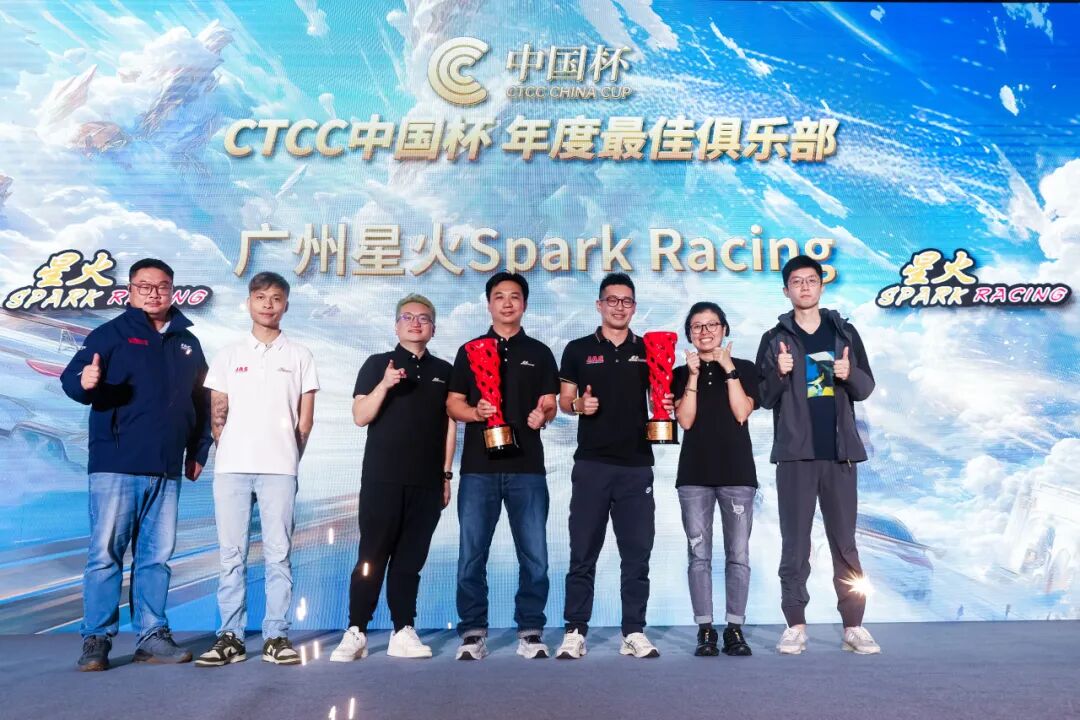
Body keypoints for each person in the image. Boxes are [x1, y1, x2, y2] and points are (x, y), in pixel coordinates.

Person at [60, 258, 212, 671]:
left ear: (172, 290)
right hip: (116, 463)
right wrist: (84, 383)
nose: (153, 293)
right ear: (129, 291)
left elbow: (201, 401)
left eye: (161, 286)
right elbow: (73, 379)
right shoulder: (110, 334)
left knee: (156, 558)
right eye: (144, 286)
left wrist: (199, 450)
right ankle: (96, 638)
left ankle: (151, 636)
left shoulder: (188, 343)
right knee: (105, 555)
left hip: (166, 467)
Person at [754, 255, 881, 655]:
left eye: (811, 280)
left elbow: (865, 387)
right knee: (795, 544)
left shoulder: (844, 332)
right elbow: (762, 397)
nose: (805, 287)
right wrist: (779, 372)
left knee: (845, 543)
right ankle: (795, 624)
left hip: (840, 456)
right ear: (786, 290)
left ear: (821, 286)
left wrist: (848, 374)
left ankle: (854, 625)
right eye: (797, 281)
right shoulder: (774, 338)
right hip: (796, 457)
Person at [195, 272, 318, 667]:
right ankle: (230, 636)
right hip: (232, 469)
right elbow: (217, 415)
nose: (268, 304)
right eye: (261, 296)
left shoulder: (300, 355)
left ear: (286, 305)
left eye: (276, 297)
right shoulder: (229, 355)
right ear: (248, 302)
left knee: (278, 555)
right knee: (231, 555)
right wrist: (231, 449)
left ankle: (276, 636)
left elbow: (305, 421)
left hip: (280, 469)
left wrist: (288, 457)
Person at [331, 294, 455, 661]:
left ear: (433, 328)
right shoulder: (376, 364)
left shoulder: (445, 370)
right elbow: (360, 416)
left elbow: (450, 425)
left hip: (427, 481)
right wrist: (384, 384)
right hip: (382, 479)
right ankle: (356, 630)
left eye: (424, 318)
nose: (416, 323)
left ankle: (403, 629)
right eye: (408, 317)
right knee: (371, 555)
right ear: (396, 325)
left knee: (410, 560)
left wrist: (446, 474)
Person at [555, 272, 673, 660]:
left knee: (637, 554)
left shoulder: (648, 349)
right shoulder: (577, 349)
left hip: (637, 466)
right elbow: (564, 400)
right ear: (599, 305)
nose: (619, 307)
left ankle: (633, 631)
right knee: (582, 553)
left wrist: (665, 406)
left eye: (626, 301)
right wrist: (578, 405)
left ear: (634, 307)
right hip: (592, 465)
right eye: (612, 300)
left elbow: (658, 396)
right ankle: (575, 630)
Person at [446, 272, 559, 660]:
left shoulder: (539, 352)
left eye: (514, 297)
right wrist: (474, 413)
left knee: (535, 557)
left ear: (524, 304)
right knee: (471, 556)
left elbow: (550, 402)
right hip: (479, 469)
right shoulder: (469, 350)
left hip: (528, 469)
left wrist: (544, 414)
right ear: (489, 303)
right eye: (499, 296)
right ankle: (472, 632)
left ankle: (530, 630)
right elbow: (453, 403)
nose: (507, 303)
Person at [673, 302, 758, 657]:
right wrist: (693, 376)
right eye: (697, 326)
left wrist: (728, 369)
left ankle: (734, 628)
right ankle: (705, 629)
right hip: (694, 475)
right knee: (698, 555)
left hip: (737, 474)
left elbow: (741, 412)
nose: (705, 331)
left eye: (712, 325)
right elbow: (685, 421)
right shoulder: (680, 373)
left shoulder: (745, 368)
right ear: (689, 334)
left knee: (738, 555)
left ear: (724, 329)